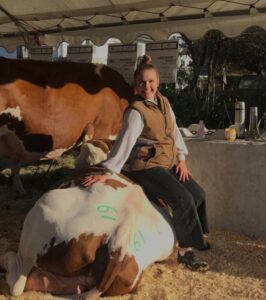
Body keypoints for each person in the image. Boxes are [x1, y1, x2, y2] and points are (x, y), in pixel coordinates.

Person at [82, 55, 210, 271]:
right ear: (136, 85)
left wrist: (181, 159)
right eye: (141, 82)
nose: (147, 86)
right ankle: (186, 253)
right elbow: (124, 143)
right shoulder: (135, 112)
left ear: (158, 82)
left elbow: (174, 133)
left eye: (150, 81)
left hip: (166, 161)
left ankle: (199, 237)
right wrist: (108, 171)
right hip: (145, 166)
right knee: (182, 199)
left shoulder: (164, 102)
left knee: (198, 194)